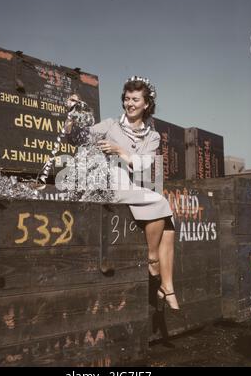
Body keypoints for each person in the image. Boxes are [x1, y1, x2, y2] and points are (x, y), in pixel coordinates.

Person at [65, 76, 179, 311]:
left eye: (135, 99)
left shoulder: (152, 136)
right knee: (160, 201)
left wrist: (118, 149)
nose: (130, 104)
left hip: (132, 186)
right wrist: (71, 113)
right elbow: (76, 137)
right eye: (127, 99)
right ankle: (152, 259)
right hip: (108, 183)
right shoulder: (109, 125)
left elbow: (144, 167)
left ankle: (167, 286)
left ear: (146, 104)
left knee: (169, 223)